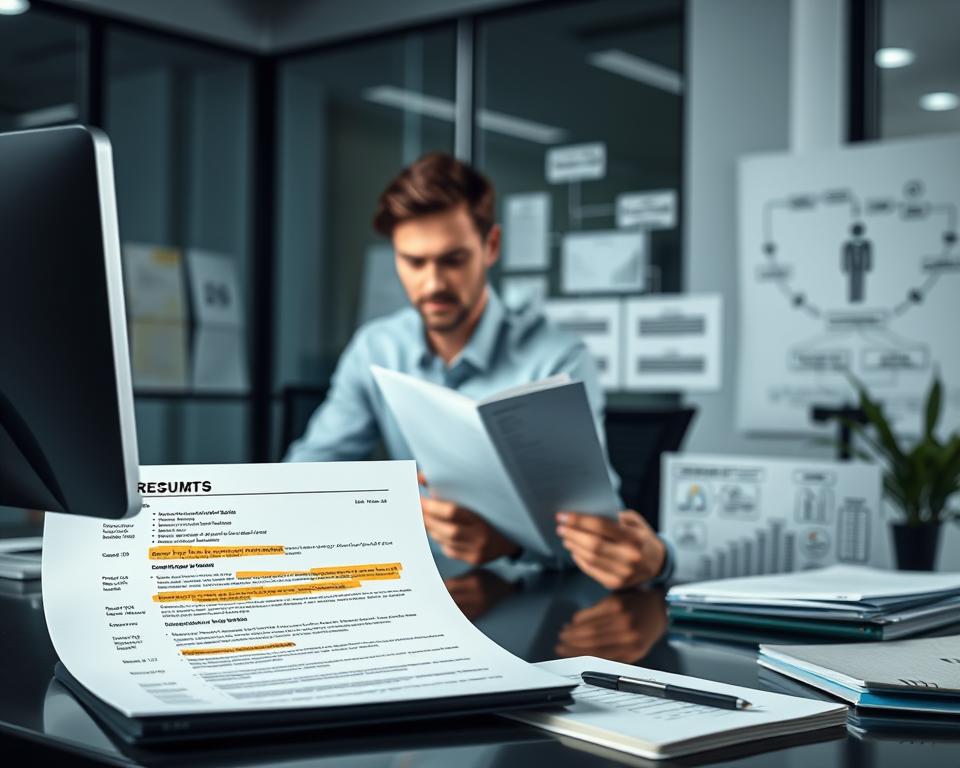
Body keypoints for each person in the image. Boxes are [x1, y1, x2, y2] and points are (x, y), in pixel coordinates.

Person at [286, 152, 671, 589]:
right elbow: (303, 479)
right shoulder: (376, 348)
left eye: (452, 260)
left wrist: (508, 544)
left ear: (490, 247)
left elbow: (599, 536)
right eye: (414, 262)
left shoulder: (557, 359)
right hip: (411, 593)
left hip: (523, 599)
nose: (432, 284)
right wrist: (393, 506)